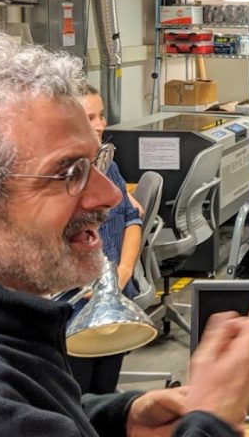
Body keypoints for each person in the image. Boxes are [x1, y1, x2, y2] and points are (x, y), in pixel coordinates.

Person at [0, 35, 249, 436]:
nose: (109, 196)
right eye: (66, 173)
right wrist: (212, 418)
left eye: (96, 162)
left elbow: (32, 408)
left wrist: (120, 418)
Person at [66, 84, 144, 395]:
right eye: (90, 117)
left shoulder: (107, 166)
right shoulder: (62, 182)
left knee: (105, 390)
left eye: (101, 116)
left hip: (112, 303)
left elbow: (131, 217)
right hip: (75, 314)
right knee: (78, 396)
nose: (101, 125)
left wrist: (122, 275)